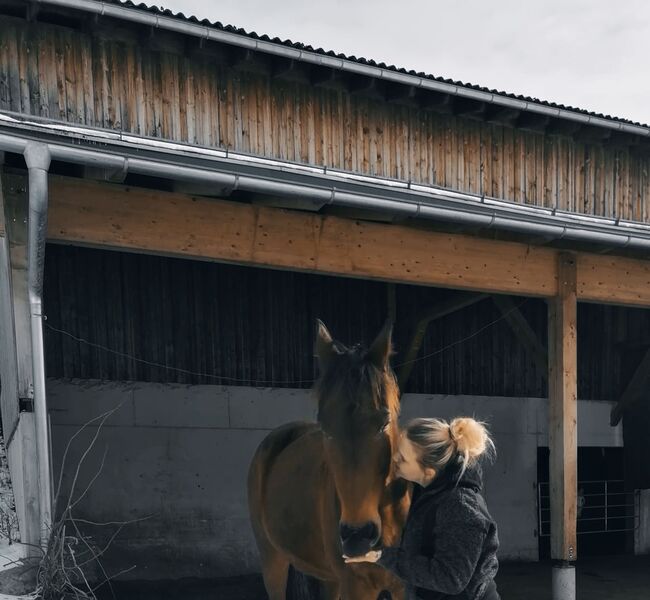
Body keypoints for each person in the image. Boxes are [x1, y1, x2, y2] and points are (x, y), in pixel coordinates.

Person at [345, 417, 500, 600]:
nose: (395, 459)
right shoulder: (428, 491)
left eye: (403, 459)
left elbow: (451, 579)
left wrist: (384, 557)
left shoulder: (460, 506)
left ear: (429, 472)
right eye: (397, 451)